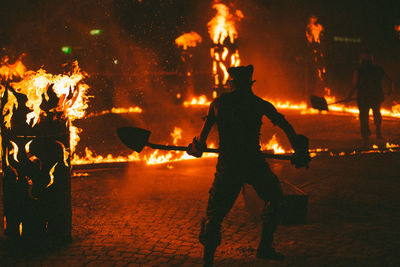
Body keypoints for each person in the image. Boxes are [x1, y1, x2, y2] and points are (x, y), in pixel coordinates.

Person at [188, 65, 311, 267]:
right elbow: (284, 125)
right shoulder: (258, 104)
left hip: (229, 165)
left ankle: (208, 262)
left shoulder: (219, 104)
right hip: (253, 162)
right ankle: (264, 246)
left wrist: (194, 148)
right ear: (249, 84)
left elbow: (201, 141)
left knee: (214, 216)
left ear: (232, 83)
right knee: (275, 198)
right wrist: (298, 150)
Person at [347, 53, 392, 143]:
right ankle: (378, 133)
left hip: (363, 97)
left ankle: (366, 135)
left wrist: (349, 96)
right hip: (376, 96)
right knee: (376, 113)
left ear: (362, 61)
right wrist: (390, 90)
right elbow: (389, 80)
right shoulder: (378, 69)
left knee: (364, 116)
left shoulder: (358, 70)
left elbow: (355, 85)